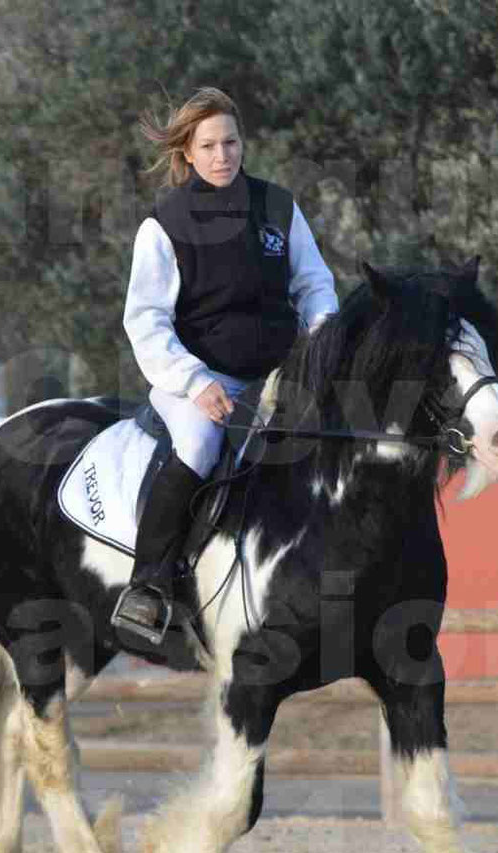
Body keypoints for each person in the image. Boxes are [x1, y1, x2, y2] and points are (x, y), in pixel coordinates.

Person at [113, 86, 338, 642]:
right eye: (209, 145)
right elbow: (145, 321)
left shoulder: (278, 207)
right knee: (198, 446)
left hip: (279, 375)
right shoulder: (164, 223)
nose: (222, 155)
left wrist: (324, 347)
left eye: (231, 142)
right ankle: (149, 586)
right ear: (187, 153)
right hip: (195, 381)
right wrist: (195, 383)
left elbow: (314, 285)